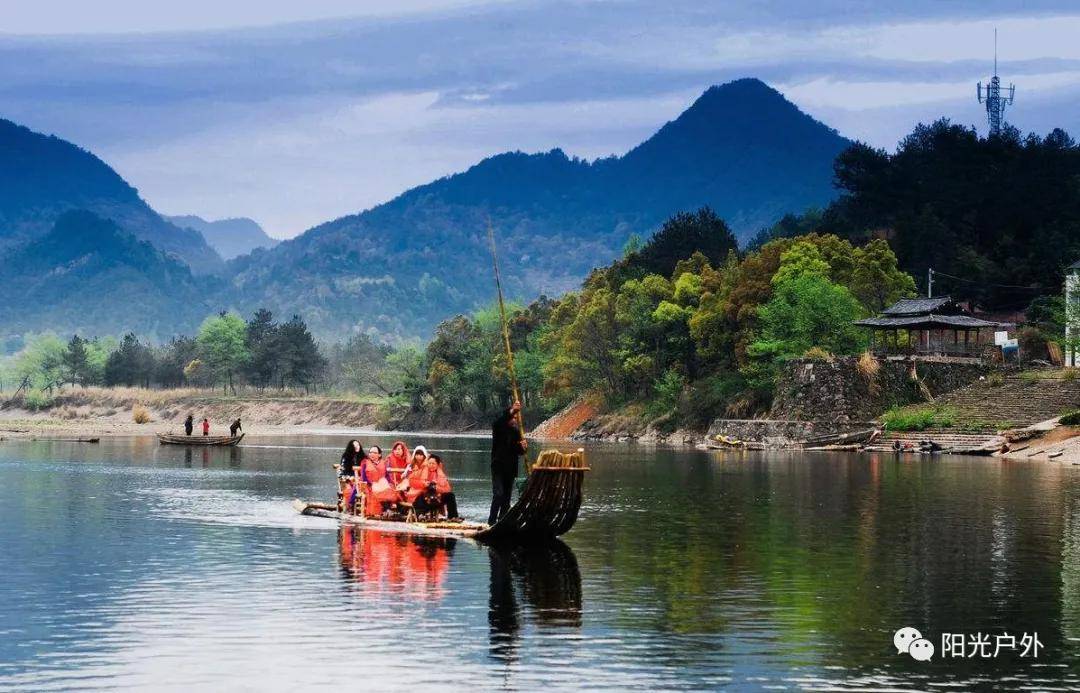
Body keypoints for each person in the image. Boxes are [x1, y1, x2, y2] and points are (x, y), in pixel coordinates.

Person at [489, 401, 526, 525]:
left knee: (506, 498)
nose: (514, 420)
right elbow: (502, 420)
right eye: (513, 417)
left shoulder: (516, 432)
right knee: (498, 494)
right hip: (498, 466)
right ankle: (491, 522)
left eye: (516, 418)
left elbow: (519, 451)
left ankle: (502, 521)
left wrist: (523, 447)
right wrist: (512, 411)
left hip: (510, 468)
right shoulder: (498, 427)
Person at [413, 453, 460, 520]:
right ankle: (420, 515)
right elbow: (411, 482)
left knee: (451, 495)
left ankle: (453, 517)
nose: (431, 465)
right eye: (429, 463)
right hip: (424, 498)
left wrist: (436, 487)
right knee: (420, 496)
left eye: (433, 463)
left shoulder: (441, 475)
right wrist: (423, 484)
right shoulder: (420, 471)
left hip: (436, 498)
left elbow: (447, 489)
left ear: (437, 465)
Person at [358, 445, 399, 517]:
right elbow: (364, 477)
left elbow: (387, 476)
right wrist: (372, 483)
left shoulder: (383, 463)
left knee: (390, 489)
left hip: (382, 484)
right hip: (369, 485)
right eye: (370, 452)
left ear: (379, 455)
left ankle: (387, 510)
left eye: (374, 452)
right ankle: (387, 510)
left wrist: (390, 483)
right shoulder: (365, 463)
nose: (372, 454)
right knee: (379, 490)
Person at [338, 440, 363, 512]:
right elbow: (342, 471)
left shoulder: (363, 456)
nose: (357, 447)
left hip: (358, 480)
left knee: (363, 488)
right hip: (345, 480)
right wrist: (349, 478)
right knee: (349, 490)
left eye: (358, 445)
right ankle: (349, 507)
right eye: (354, 446)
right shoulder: (346, 456)